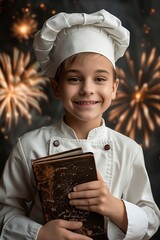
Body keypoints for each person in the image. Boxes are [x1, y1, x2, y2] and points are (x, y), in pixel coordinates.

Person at [0, 9, 159, 240]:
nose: (87, 88)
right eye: (74, 78)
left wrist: (113, 206)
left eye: (100, 79)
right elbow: (5, 208)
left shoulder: (129, 149)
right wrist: (40, 233)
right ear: (56, 88)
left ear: (114, 88)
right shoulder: (28, 146)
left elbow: (151, 218)